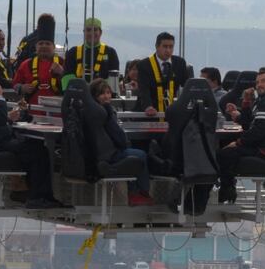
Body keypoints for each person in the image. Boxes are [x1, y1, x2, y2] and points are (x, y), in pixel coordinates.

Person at [0, 65, 66, 209]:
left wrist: (8, 118)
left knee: (32, 147)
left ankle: (36, 194)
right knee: (39, 152)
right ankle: (39, 197)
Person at [217, 66, 265, 204]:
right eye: (257, 82)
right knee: (225, 146)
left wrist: (238, 143)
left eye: (263, 81)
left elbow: (258, 131)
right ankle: (228, 188)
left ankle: (227, 191)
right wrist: (245, 103)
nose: (259, 85)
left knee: (223, 154)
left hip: (264, 149)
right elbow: (250, 125)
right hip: (262, 143)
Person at [89, 78, 153, 207]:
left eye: (108, 92)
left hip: (100, 154)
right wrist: (125, 143)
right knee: (140, 155)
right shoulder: (105, 111)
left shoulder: (91, 110)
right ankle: (139, 193)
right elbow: (119, 138)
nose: (106, 96)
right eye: (102, 93)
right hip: (109, 155)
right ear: (95, 96)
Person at [12, 14, 63, 106]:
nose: (44, 46)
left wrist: (62, 73)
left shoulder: (63, 62)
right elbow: (15, 85)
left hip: (57, 112)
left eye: (47, 44)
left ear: (53, 47)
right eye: (41, 43)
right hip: (32, 111)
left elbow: (71, 86)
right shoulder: (26, 64)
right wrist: (22, 88)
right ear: (36, 46)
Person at [135, 32, 189, 116]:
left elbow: (187, 85)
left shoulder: (179, 63)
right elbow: (144, 89)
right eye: (165, 46)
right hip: (149, 113)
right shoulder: (144, 65)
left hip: (170, 112)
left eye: (171, 47)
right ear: (157, 46)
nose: (168, 50)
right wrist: (148, 106)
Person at [63, 17, 120, 83]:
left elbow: (114, 80)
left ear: (100, 32)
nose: (91, 33)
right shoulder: (73, 52)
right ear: (84, 32)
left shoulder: (110, 52)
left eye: (95, 30)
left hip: (102, 92)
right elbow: (66, 77)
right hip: (78, 92)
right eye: (88, 30)